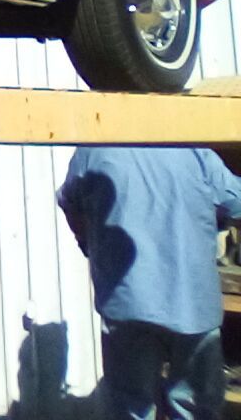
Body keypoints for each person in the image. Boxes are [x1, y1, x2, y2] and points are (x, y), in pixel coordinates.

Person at [57, 146, 241, 420]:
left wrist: (89, 245)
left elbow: (70, 202)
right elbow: (236, 202)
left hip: (127, 301)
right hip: (191, 301)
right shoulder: (195, 152)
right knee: (196, 406)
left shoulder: (92, 150)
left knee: (130, 407)